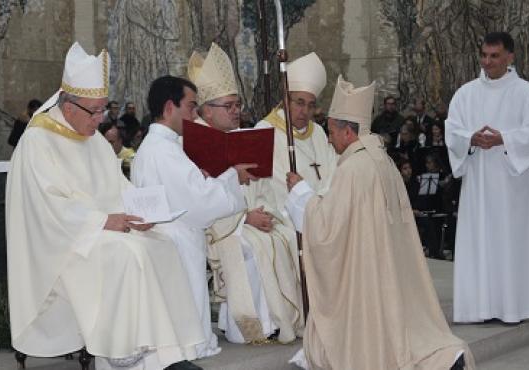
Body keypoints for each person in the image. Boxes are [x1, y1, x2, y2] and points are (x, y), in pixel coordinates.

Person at [6, 42, 204, 370]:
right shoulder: (37, 142)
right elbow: (46, 208)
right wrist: (101, 221)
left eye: (102, 110)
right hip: (64, 245)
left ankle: (168, 353)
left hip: (100, 231)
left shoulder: (94, 141)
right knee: (129, 254)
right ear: (68, 106)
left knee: (163, 246)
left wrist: (144, 213)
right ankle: (124, 350)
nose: (101, 120)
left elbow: (120, 187)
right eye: (94, 111)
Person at [285, 75, 471, 370]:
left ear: (348, 132)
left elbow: (325, 229)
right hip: (384, 259)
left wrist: (299, 192)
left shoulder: (354, 168)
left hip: (366, 264)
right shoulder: (380, 159)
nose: (329, 137)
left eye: (331, 131)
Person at [131, 75, 258, 359]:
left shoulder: (161, 147)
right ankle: (186, 345)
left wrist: (206, 179)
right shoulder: (162, 150)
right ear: (169, 108)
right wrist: (232, 177)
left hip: (172, 235)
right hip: (175, 237)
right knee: (183, 302)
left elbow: (187, 190)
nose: (194, 114)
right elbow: (199, 201)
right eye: (190, 106)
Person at [186, 43, 302, 344]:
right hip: (221, 229)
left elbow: (263, 186)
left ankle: (280, 321)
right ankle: (248, 327)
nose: (237, 111)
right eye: (229, 106)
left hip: (249, 218)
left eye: (238, 105)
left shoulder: (244, 138)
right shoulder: (192, 146)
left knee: (285, 236)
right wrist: (243, 219)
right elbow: (200, 200)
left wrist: (265, 213)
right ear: (206, 110)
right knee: (250, 247)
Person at [445, 31, 529, 323]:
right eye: (483, 55)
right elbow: (451, 130)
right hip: (479, 185)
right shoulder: (466, 94)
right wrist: (470, 138)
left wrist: (504, 139)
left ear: (510, 57)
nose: (487, 62)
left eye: (494, 56)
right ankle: (479, 307)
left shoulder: (527, 93)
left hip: (513, 186)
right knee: (481, 242)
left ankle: (515, 307)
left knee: (511, 243)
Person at [255, 52, 337, 226]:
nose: (305, 111)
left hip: (321, 217)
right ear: (286, 100)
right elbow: (264, 186)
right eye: (299, 102)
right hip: (285, 221)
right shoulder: (264, 131)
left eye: (311, 105)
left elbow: (332, 174)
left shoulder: (318, 133)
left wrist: (317, 203)